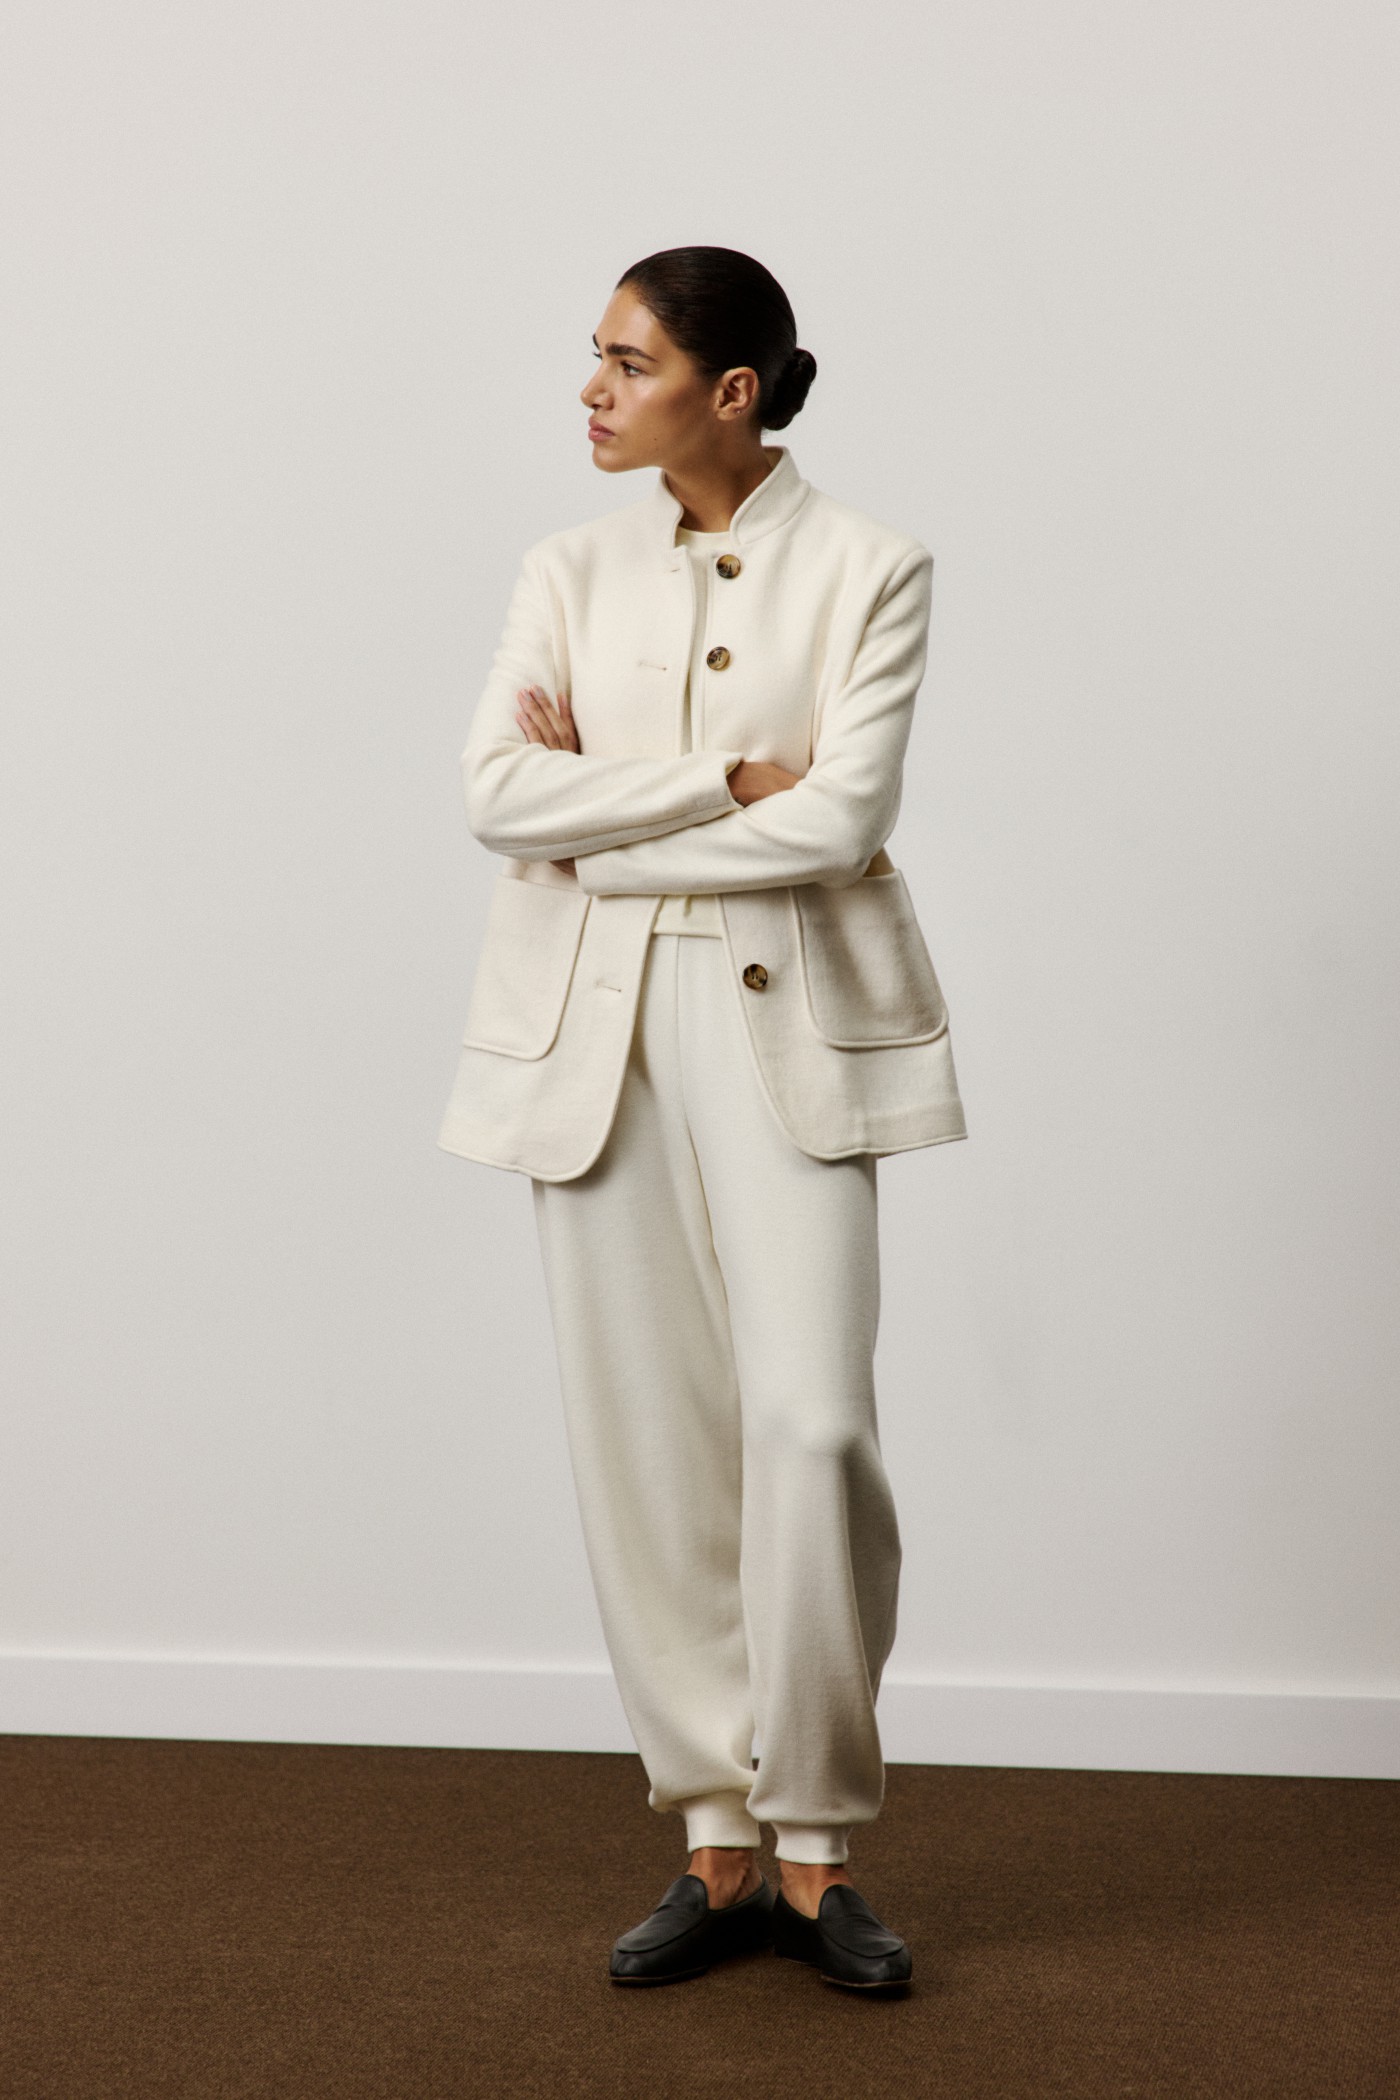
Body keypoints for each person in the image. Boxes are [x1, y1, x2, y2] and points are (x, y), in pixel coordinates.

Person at [438, 246, 967, 1991]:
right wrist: (724, 779)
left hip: (786, 1025)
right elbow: (494, 793)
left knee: (809, 1426)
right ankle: (719, 1843)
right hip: (595, 1041)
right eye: (592, 356)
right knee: (650, 1443)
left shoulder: (873, 566)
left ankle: (818, 1847)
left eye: (628, 361)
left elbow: (842, 820)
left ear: (729, 391)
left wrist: (599, 828)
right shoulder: (566, 568)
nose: (591, 390)